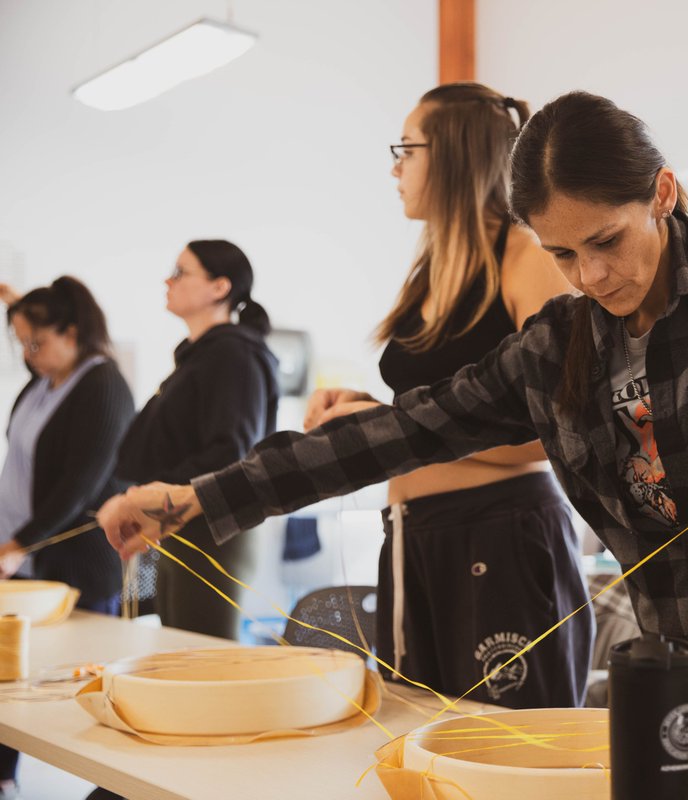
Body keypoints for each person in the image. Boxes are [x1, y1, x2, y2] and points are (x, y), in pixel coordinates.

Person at [98, 91, 688, 792]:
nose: (591, 276)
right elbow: (394, 434)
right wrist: (201, 497)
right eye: (562, 255)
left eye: (605, 241)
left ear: (662, 193)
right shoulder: (554, 349)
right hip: (685, 678)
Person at [303, 82, 591, 708]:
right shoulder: (434, 271)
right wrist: (366, 408)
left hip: (500, 537)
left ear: (455, 154)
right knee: (414, 739)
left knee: (510, 751)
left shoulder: (526, 259)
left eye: (406, 149)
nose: (394, 168)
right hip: (413, 535)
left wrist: (392, 425)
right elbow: (427, 408)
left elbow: (562, 435)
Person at [0, 277, 135, 800]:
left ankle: (110, 787)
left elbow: (81, 481)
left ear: (71, 333)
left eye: (35, 342)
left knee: (79, 684)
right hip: (24, 558)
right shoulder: (41, 384)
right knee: (11, 676)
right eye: (21, 344)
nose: (28, 355)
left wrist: (21, 543)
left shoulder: (102, 385)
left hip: (73, 562)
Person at [113, 240, 279, 640]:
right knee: (178, 649)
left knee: (201, 657)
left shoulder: (233, 355)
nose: (167, 281)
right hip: (184, 525)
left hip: (213, 530)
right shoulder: (203, 356)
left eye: (180, 272)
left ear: (220, 287)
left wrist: (151, 497)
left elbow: (230, 453)